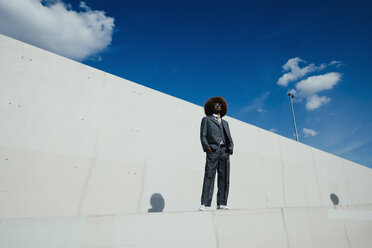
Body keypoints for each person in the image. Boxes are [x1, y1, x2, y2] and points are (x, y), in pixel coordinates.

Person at [199, 96, 234, 211]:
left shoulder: (225, 123)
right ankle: (205, 203)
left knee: (224, 178)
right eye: (216, 104)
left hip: (224, 152)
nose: (218, 106)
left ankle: (222, 203)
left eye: (220, 104)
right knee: (209, 176)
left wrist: (230, 148)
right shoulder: (206, 120)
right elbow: (203, 136)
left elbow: (229, 137)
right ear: (211, 106)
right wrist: (207, 148)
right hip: (212, 151)